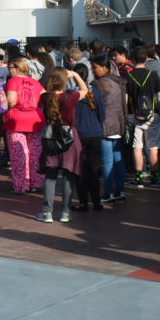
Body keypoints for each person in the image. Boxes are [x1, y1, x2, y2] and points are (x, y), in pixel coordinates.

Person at [37, 68, 81, 223]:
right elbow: (84, 89)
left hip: (51, 138)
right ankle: (65, 212)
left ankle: (47, 212)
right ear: (64, 80)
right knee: (68, 176)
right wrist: (75, 75)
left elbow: (41, 93)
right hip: (69, 138)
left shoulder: (45, 97)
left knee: (50, 176)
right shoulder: (71, 96)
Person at [126, 45, 160, 188]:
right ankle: (155, 178)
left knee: (137, 147)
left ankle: (138, 178)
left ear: (132, 59)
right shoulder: (153, 75)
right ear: (146, 59)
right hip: (151, 115)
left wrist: (127, 114)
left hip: (133, 115)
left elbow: (125, 98)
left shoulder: (128, 76)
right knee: (153, 147)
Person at [4, 58, 46, 193]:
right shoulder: (35, 82)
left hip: (16, 120)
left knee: (19, 154)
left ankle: (21, 185)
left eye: (9, 67)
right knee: (35, 153)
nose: (8, 70)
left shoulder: (12, 81)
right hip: (35, 120)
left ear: (16, 68)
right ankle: (36, 182)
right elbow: (45, 99)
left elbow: (11, 101)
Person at [91, 54, 127, 204]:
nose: (93, 70)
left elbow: (93, 106)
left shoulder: (99, 84)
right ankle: (119, 191)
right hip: (119, 125)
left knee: (107, 162)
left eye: (95, 68)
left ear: (104, 67)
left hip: (105, 126)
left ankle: (108, 192)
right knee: (118, 161)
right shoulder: (119, 81)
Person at [72, 66, 104, 212]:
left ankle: (83, 202)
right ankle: (97, 202)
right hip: (95, 133)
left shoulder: (72, 94)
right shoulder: (96, 92)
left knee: (80, 170)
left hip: (79, 134)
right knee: (93, 169)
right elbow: (102, 115)